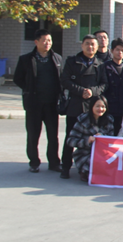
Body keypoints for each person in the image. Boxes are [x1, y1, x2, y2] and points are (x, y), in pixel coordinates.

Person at [14, 29, 63, 173]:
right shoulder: (26, 59)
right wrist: (28, 88)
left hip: (51, 104)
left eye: (50, 40)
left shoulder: (57, 58)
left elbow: (61, 78)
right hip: (33, 104)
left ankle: (54, 162)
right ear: (36, 42)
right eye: (44, 40)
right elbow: (17, 78)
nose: (48, 43)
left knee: (53, 135)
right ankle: (34, 162)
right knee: (33, 135)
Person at [60, 34, 108, 179]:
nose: (90, 47)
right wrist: (81, 91)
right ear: (82, 45)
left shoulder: (100, 64)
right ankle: (65, 167)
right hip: (75, 105)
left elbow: (104, 84)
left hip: (93, 107)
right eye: (87, 44)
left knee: (92, 138)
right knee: (70, 136)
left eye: (93, 44)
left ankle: (88, 167)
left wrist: (92, 91)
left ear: (97, 47)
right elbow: (65, 80)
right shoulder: (72, 61)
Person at [66, 95, 114, 182]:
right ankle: (84, 171)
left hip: (103, 153)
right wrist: (87, 140)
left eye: (103, 107)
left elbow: (112, 140)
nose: (100, 109)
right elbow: (70, 141)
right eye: (97, 106)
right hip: (85, 153)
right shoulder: (83, 120)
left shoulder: (109, 120)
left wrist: (103, 137)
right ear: (92, 107)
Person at [103, 38, 123, 136]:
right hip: (109, 109)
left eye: (122, 50)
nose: (120, 52)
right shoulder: (105, 67)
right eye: (117, 50)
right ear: (112, 51)